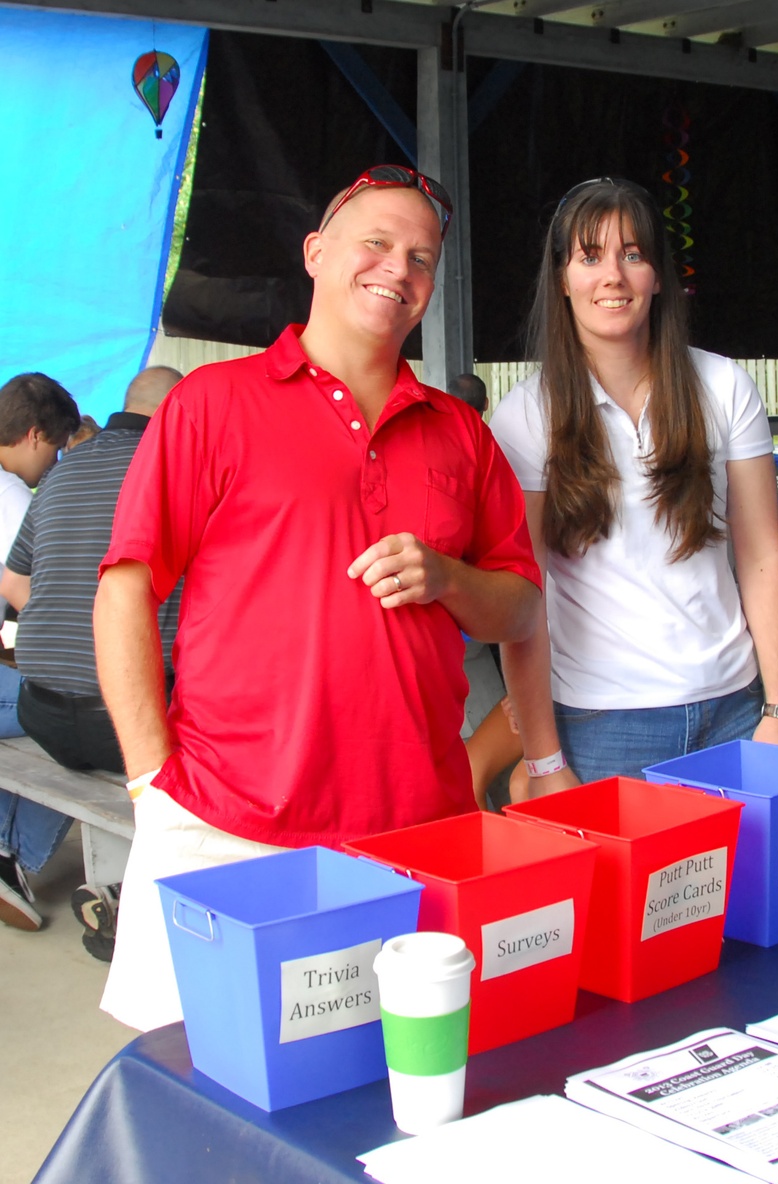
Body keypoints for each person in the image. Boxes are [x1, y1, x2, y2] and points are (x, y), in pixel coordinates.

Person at [93, 164, 541, 1031]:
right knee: (195, 1094)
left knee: (397, 1084)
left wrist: (449, 579)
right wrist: (152, 778)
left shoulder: (461, 432)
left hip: (416, 830)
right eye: (376, 242)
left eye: (420, 257)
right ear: (315, 252)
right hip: (226, 822)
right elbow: (127, 585)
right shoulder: (211, 404)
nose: (397, 269)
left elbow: (522, 609)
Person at [489, 176, 778, 796]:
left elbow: (763, 552)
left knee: (744, 895)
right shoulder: (526, 416)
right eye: (590, 256)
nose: (613, 275)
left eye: (633, 254)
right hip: (602, 724)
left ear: (658, 276)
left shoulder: (723, 385)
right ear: (562, 278)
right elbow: (525, 597)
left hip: (735, 707)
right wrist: (545, 759)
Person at [0, 367, 182, 956]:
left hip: (42, 715)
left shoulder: (60, 473)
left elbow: (16, 576)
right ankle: (136, 895)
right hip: (127, 728)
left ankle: (82, 880)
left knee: (83, 727)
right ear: (178, 412)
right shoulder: (182, 473)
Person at [0, 372, 81, 931]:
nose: (53, 465)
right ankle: (19, 856)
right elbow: (20, 588)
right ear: (33, 436)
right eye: (54, 449)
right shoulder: (11, 496)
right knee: (68, 716)